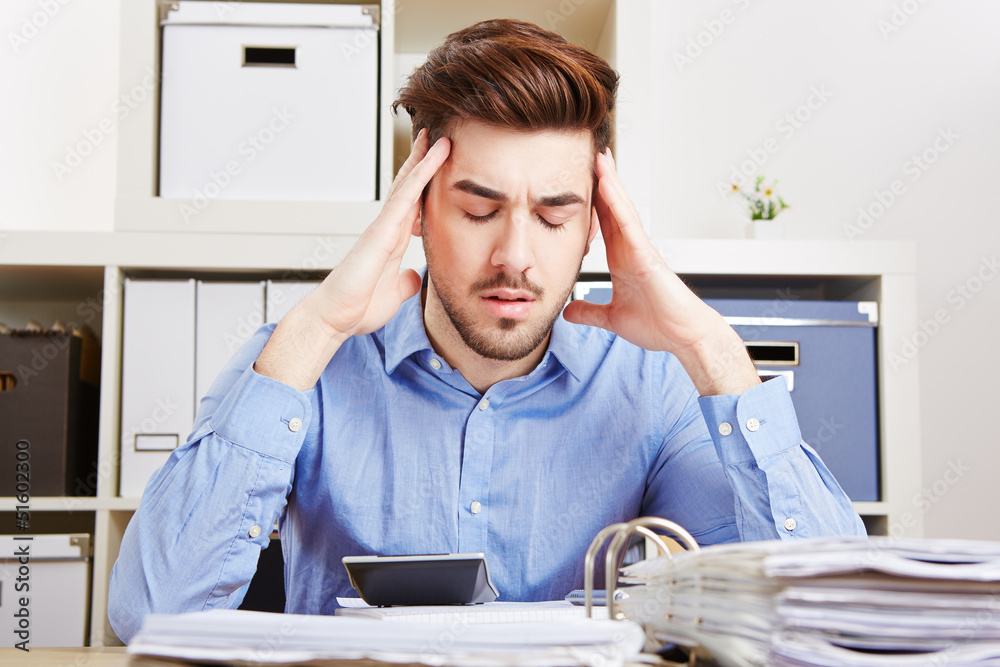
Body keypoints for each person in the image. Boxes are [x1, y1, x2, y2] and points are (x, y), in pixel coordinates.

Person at [108, 19, 865, 643]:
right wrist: (314, 327)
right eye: (477, 210)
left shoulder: (652, 383)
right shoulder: (303, 359)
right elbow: (151, 614)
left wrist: (714, 351)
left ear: (595, 225)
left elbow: (829, 626)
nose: (515, 257)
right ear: (418, 208)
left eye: (553, 213)